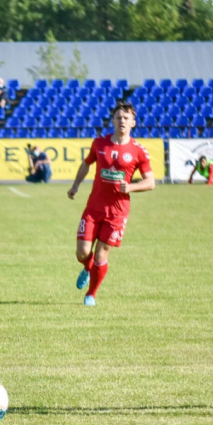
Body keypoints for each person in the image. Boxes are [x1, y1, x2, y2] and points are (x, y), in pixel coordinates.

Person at [67, 102, 155, 306]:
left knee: (101, 254)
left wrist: (131, 187)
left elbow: (150, 182)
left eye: (126, 118)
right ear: (113, 121)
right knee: (82, 253)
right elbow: (87, 163)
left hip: (117, 213)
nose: (122, 121)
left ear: (133, 122)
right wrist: (76, 185)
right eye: (119, 117)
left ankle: (91, 295)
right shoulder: (99, 143)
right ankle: (87, 267)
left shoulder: (139, 151)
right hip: (93, 208)